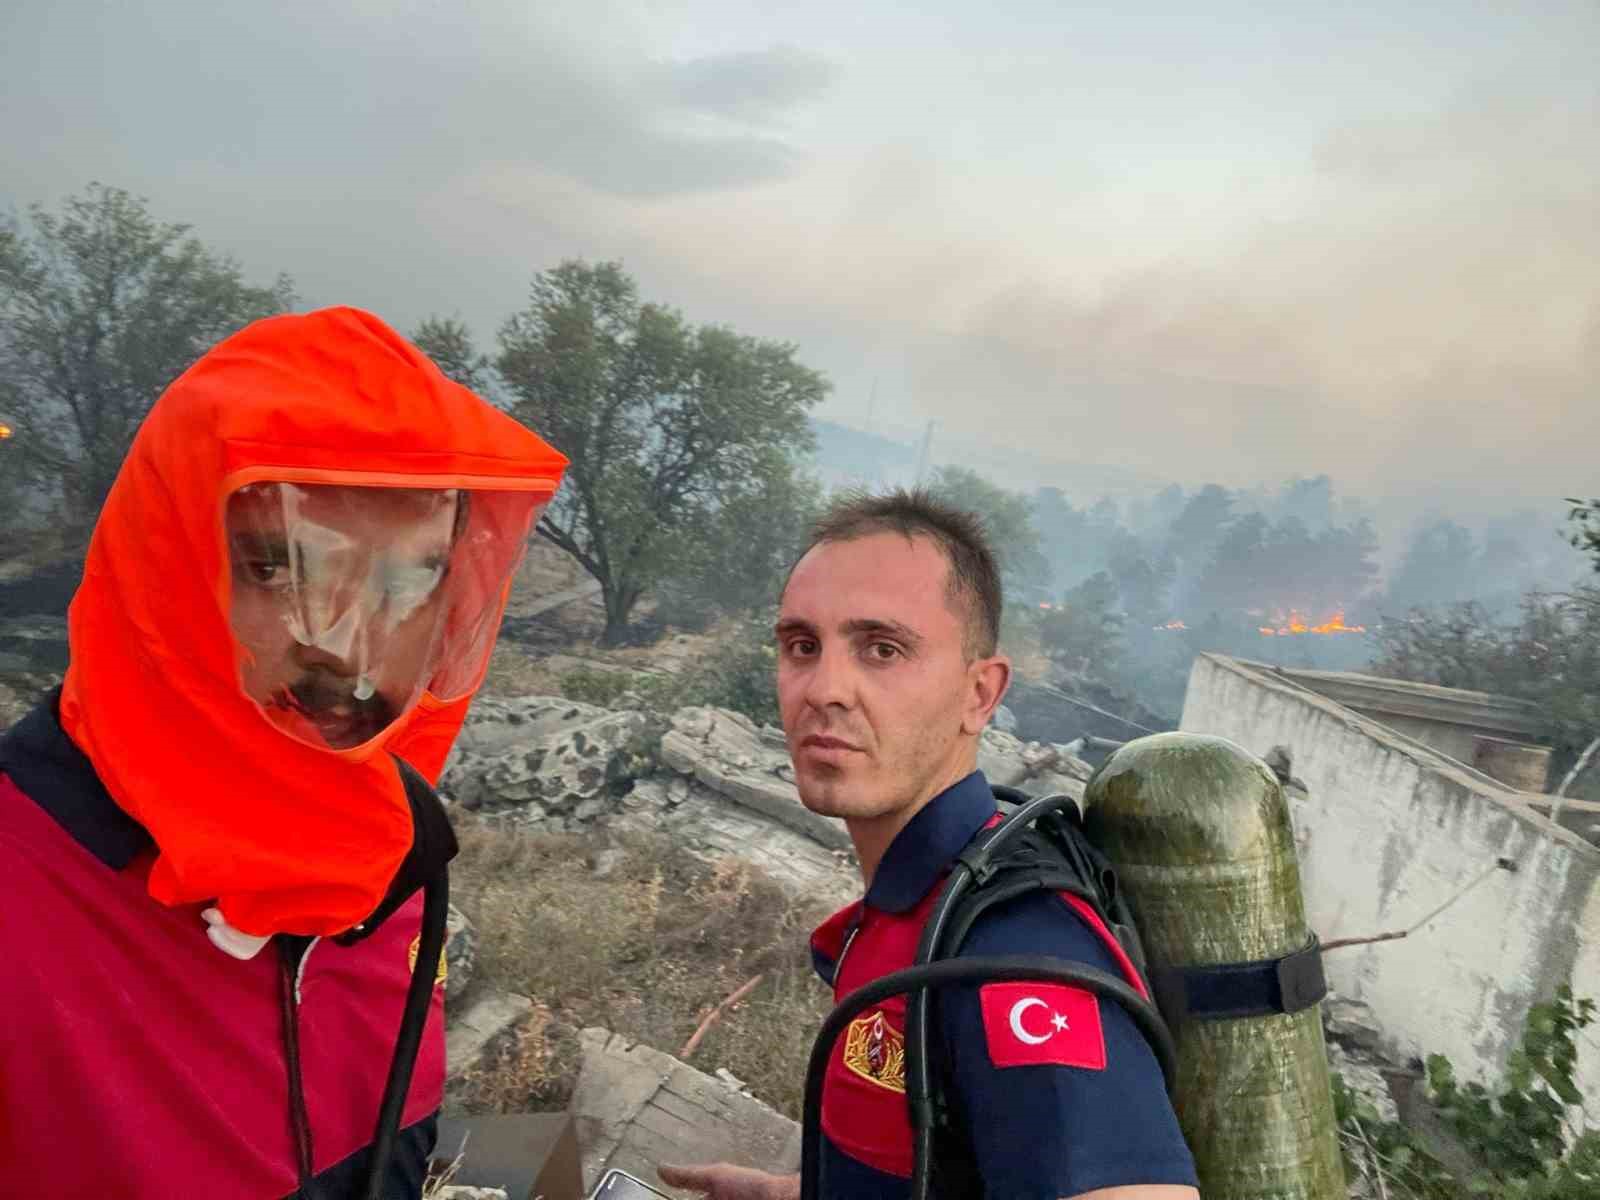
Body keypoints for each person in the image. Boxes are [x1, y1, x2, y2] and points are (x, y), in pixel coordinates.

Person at [0, 307, 569, 1197]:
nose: (342, 645)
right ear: (163, 554)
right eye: (276, 570)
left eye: (408, 579)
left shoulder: (387, 854)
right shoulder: (20, 892)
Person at [659, 492, 1199, 1200]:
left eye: (882, 649)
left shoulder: (1016, 948)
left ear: (980, 694)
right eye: (801, 646)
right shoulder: (919, 908)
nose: (825, 689)